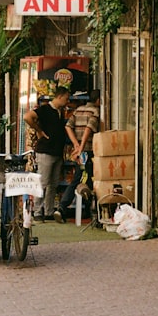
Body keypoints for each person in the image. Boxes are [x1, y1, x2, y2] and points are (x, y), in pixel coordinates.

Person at [23, 86, 71, 221]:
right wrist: (38, 130)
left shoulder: (60, 112)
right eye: (66, 98)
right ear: (59, 97)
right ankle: (38, 211)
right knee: (43, 182)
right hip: (46, 150)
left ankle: (49, 211)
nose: (67, 102)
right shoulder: (45, 109)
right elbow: (28, 117)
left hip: (57, 152)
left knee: (53, 184)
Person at [54, 89, 101, 223]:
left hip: (80, 152)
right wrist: (81, 147)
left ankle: (86, 210)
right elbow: (89, 128)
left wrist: (75, 144)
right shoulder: (95, 112)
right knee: (83, 179)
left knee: (82, 179)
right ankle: (64, 208)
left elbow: (68, 126)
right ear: (98, 100)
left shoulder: (78, 110)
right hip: (87, 151)